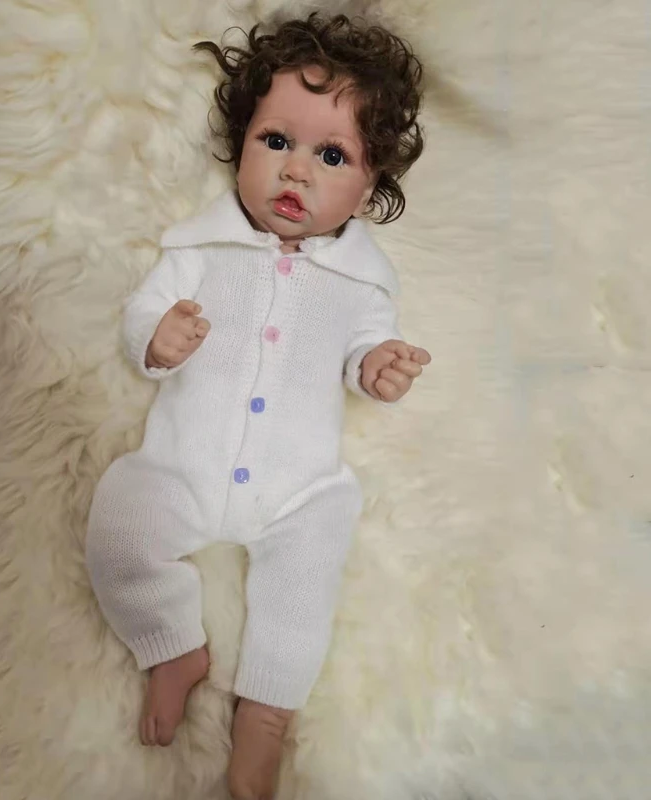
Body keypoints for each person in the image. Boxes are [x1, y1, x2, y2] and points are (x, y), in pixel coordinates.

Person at [86, 13, 431, 800]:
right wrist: (158, 338)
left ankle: (267, 715)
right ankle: (172, 644)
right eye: (276, 141)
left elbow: (364, 347)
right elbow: (145, 314)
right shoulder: (200, 248)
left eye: (332, 156)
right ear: (241, 143)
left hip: (296, 488)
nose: (295, 172)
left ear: (369, 187)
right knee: (119, 527)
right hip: (184, 465)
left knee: (305, 586)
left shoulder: (361, 281)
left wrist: (377, 366)